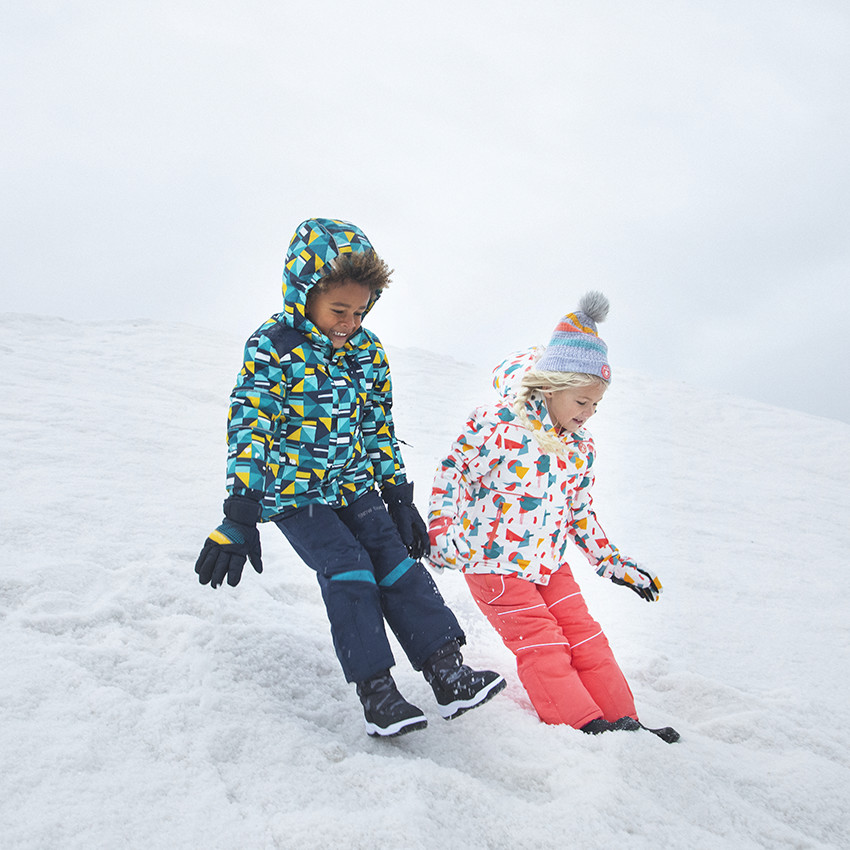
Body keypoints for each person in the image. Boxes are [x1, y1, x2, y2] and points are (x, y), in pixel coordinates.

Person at [194, 217, 505, 738]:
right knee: (349, 569)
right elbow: (251, 425)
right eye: (339, 310)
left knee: (396, 564)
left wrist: (398, 498)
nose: (349, 322)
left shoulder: (368, 351)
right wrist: (240, 512)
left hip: (355, 485)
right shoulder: (275, 346)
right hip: (294, 494)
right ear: (305, 294)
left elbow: (379, 427)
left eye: (360, 311)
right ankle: (378, 694)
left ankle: (448, 673)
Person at [427, 292, 679, 743]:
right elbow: (454, 472)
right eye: (582, 402)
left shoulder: (580, 448)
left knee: (586, 637)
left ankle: (626, 723)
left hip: (548, 563)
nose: (589, 415)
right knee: (543, 644)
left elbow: (579, 514)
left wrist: (614, 564)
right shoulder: (498, 425)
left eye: (596, 406)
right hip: (493, 564)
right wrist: (442, 530)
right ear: (551, 386)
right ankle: (584, 724)